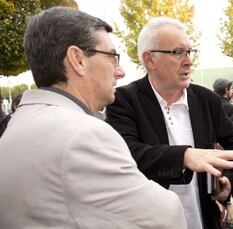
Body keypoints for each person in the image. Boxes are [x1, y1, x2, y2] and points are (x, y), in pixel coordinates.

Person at [0, 7, 187, 228]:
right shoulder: (85, 134)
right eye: (112, 57)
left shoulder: (16, 126)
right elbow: (165, 216)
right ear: (77, 59)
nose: (120, 72)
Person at [105, 17, 233, 229]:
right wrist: (185, 156)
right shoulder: (124, 101)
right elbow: (128, 155)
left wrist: (228, 182)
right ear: (150, 59)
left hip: (203, 220)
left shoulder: (206, 100)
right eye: (178, 52)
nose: (188, 61)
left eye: (190, 52)